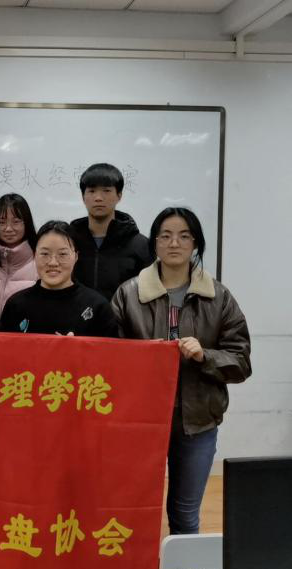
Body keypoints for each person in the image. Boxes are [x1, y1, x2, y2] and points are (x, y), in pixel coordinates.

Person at [112, 207, 251, 535]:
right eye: (165, 236)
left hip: (197, 422)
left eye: (184, 236)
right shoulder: (128, 294)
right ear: (154, 243)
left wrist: (205, 356)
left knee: (185, 514)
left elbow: (241, 362)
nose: (174, 243)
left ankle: (184, 568)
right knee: (133, 512)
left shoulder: (218, 297)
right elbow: (109, 359)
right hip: (140, 423)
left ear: (195, 243)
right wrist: (140, 357)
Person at [1, 220, 118, 337]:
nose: (53, 263)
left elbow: (111, 348)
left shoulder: (97, 307)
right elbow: (2, 346)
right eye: (45, 254)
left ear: (76, 256)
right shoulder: (16, 305)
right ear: (34, 255)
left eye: (62, 254)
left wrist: (78, 346)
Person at [70, 163, 152, 300]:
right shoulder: (69, 242)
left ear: (119, 195)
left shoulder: (140, 245)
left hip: (122, 314)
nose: (98, 198)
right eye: (92, 191)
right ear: (83, 197)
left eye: (106, 191)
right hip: (76, 314)